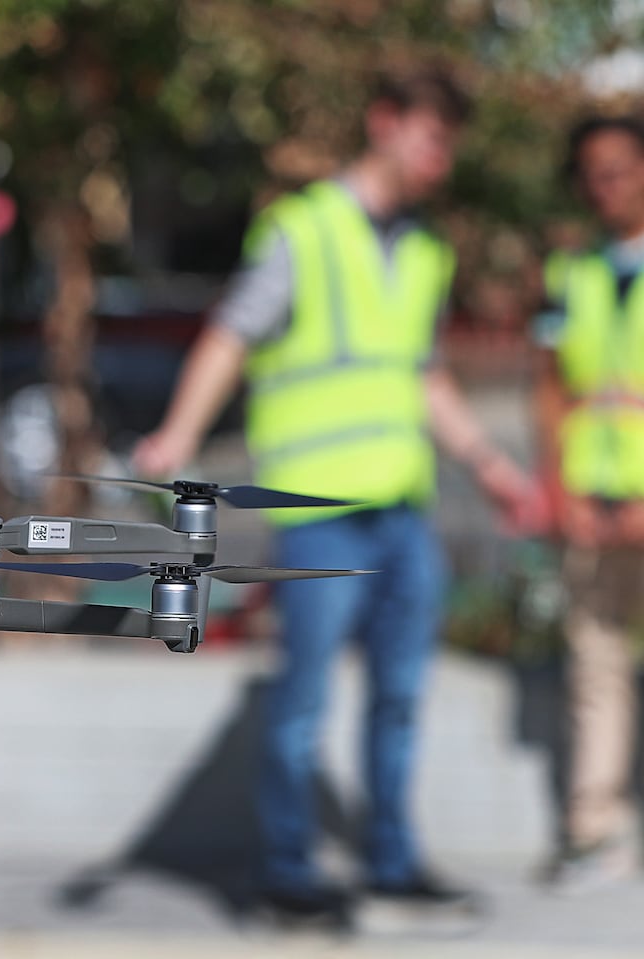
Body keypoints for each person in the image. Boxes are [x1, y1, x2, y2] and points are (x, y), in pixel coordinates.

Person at [132, 66, 539, 920]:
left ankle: (391, 860)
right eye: (431, 137)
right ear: (383, 122)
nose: (441, 158)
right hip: (319, 515)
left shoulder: (426, 249)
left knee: (399, 696)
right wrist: (177, 432)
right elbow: (232, 334)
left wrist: (491, 468)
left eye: (449, 144)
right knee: (304, 696)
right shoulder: (304, 228)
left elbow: (422, 374)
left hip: (400, 510)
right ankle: (285, 873)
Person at [535, 114, 644, 893]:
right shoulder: (570, 274)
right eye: (594, 172)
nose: (608, 185)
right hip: (593, 504)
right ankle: (593, 827)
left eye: (622, 168)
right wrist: (560, 489)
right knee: (596, 668)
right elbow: (550, 386)